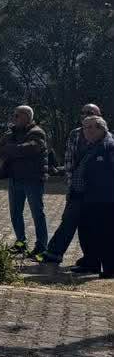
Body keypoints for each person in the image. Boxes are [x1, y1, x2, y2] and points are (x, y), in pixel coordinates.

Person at [42, 104, 103, 269]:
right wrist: (71, 183)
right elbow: (69, 160)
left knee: (90, 225)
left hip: (96, 191)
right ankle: (55, 253)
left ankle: (92, 260)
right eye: (83, 113)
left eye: (90, 112)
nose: (85, 115)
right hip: (77, 187)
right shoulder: (75, 134)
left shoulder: (106, 137)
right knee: (69, 219)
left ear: (99, 115)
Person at [0, 105, 49, 259]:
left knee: (37, 213)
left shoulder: (37, 132)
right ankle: (20, 242)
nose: (14, 118)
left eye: (17, 115)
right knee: (15, 213)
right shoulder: (10, 133)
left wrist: (10, 149)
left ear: (27, 116)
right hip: (14, 179)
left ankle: (41, 246)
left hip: (32, 180)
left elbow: (29, 149)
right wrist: (16, 150)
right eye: (14, 115)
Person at [75, 116, 114, 278]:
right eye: (84, 127)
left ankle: (110, 268)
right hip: (87, 197)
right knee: (87, 232)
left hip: (105, 199)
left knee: (105, 234)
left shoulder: (109, 146)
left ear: (100, 129)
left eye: (90, 127)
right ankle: (91, 263)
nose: (86, 131)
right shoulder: (90, 145)